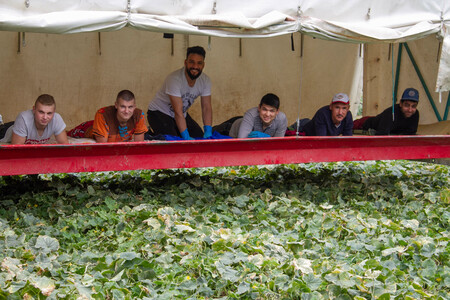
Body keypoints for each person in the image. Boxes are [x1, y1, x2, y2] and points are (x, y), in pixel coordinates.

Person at [147, 46, 212, 140]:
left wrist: (208, 130)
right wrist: (185, 136)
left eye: (199, 63)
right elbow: (178, 111)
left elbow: (206, 107)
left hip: (181, 114)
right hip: (159, 113)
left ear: (203, 65)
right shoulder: (174, 79)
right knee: (174, 141)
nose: (195, 66)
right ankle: (151, 137)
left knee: (199, 137)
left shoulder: (205, 80)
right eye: (191, 62)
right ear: (185, 63)